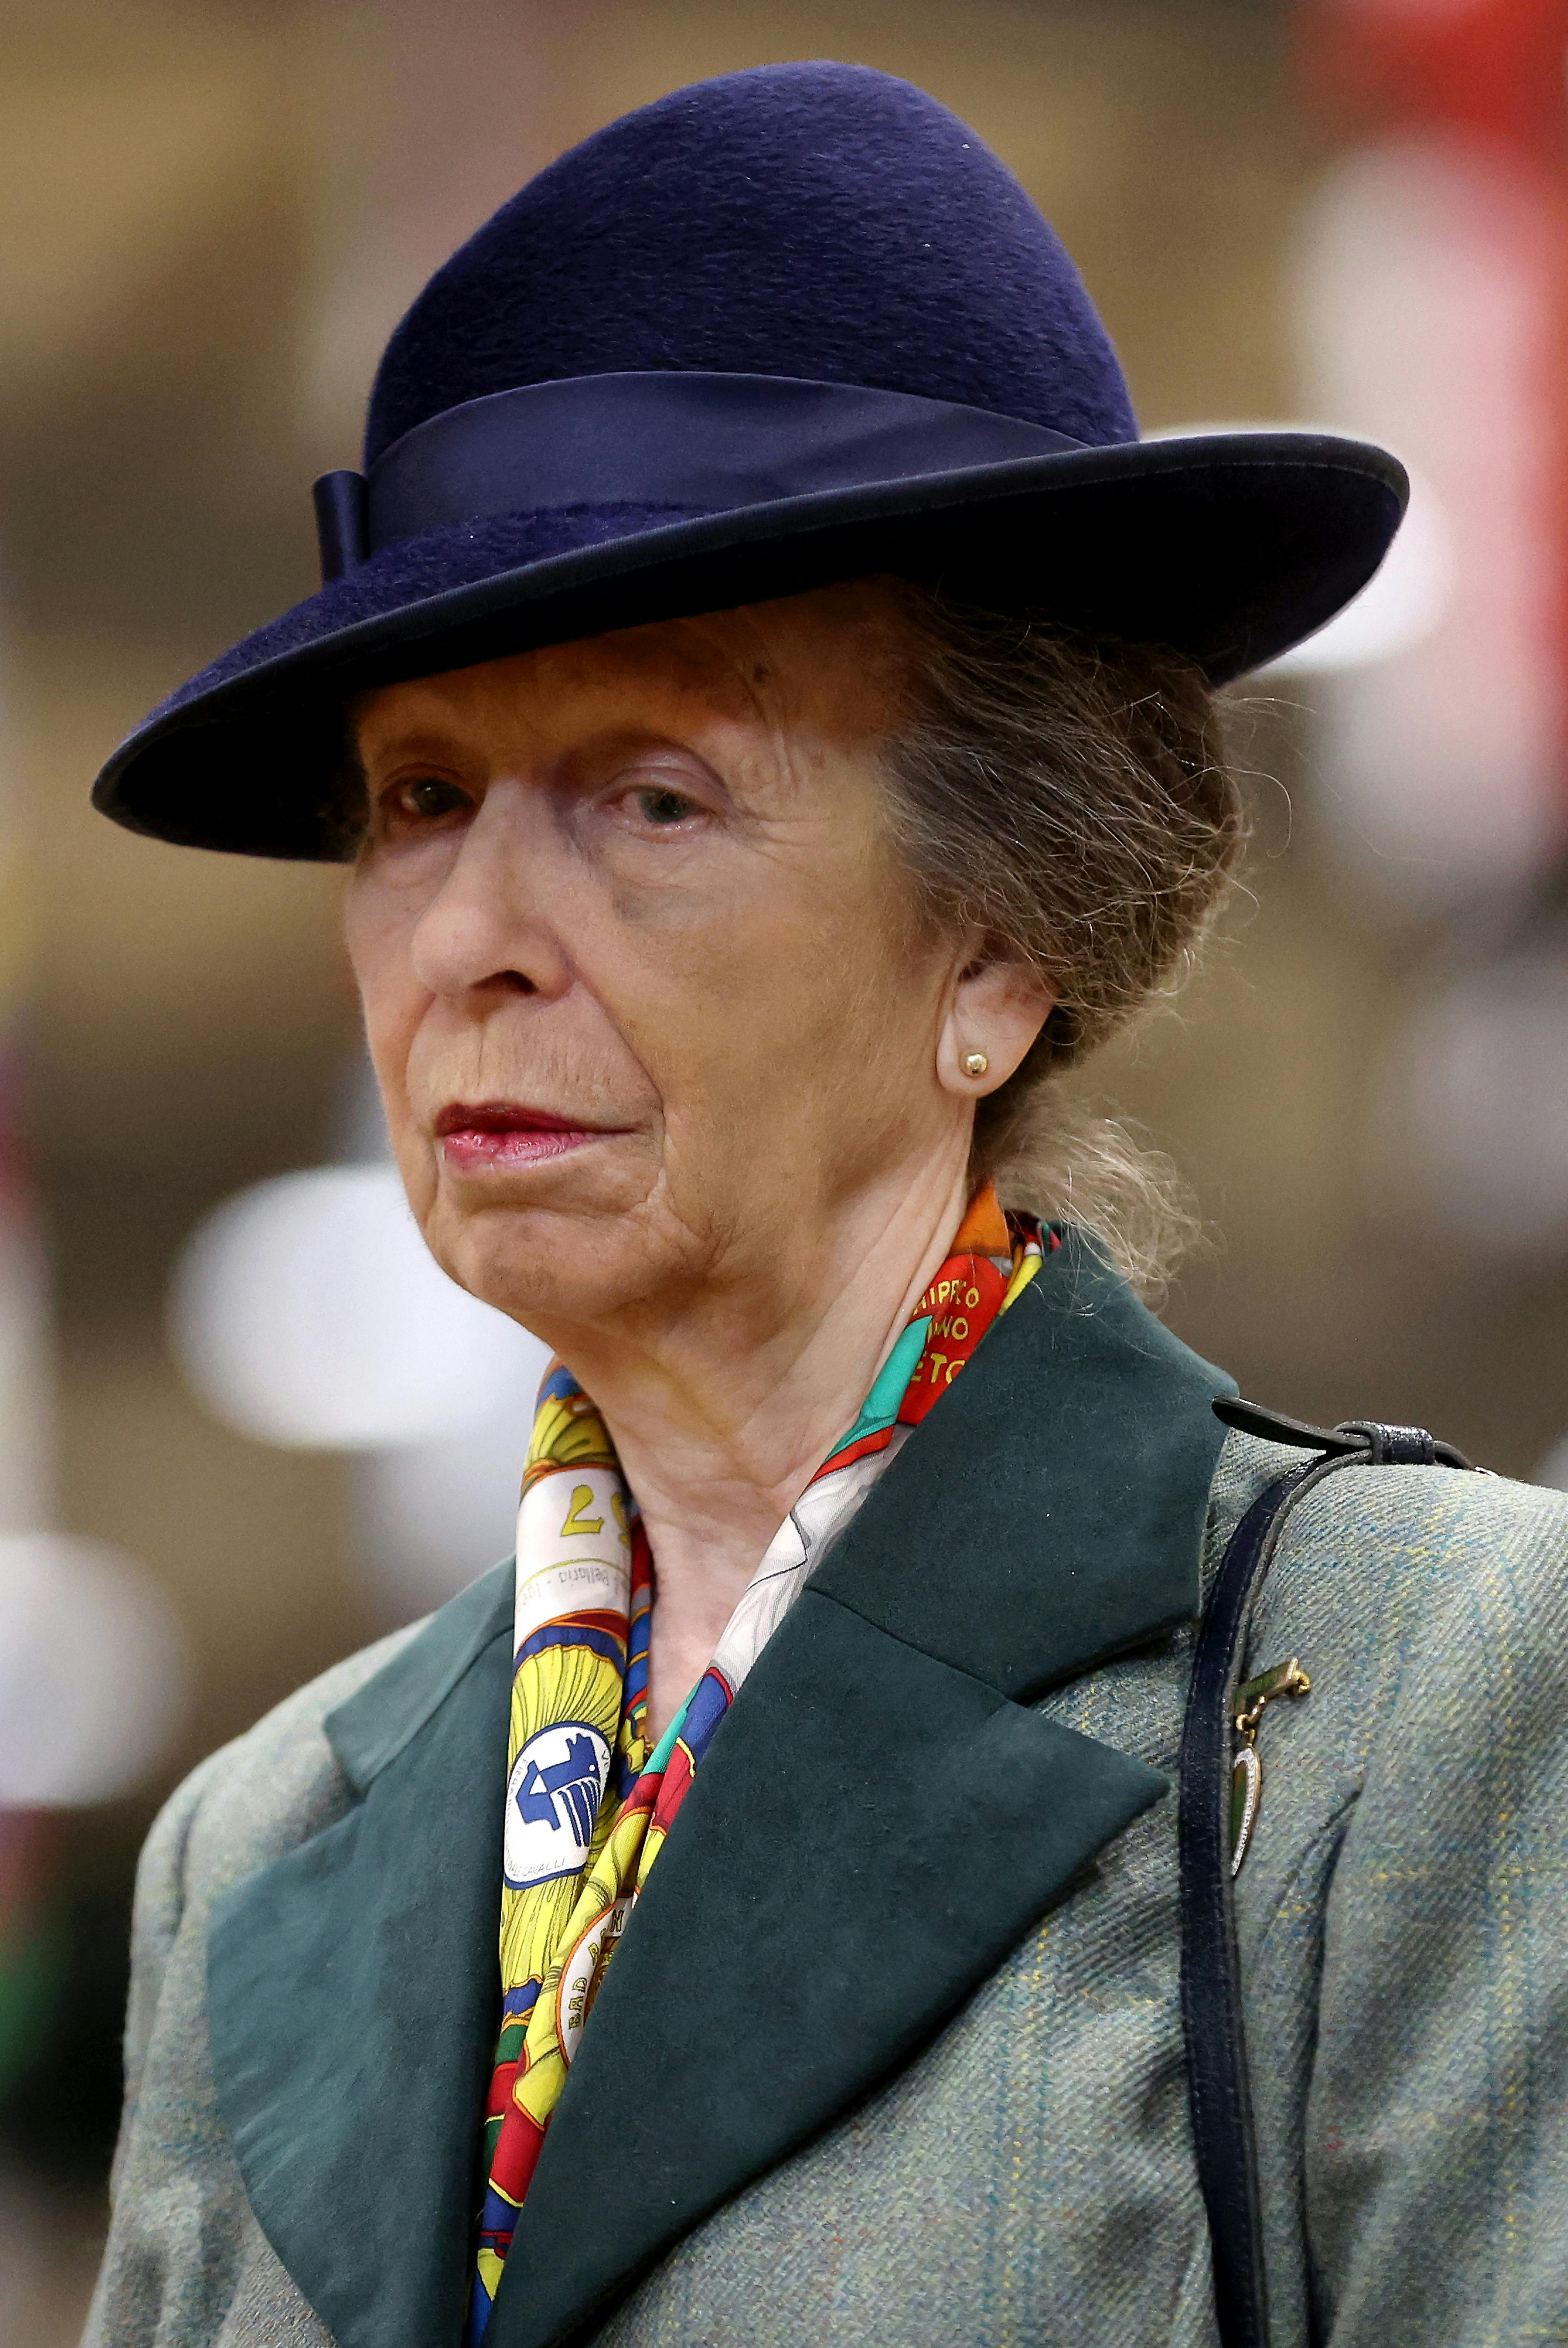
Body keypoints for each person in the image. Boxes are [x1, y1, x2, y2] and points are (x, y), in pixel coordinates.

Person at [83, 60, 1568, 2348]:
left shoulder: (1433, 1678)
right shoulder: (251, 1843)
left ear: (998, 942)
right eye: (414, 794)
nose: (470, 927)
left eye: (650, 796)